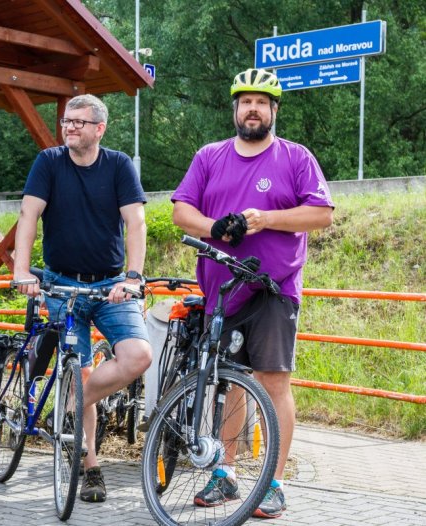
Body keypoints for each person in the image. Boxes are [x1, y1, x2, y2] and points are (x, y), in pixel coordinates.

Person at [171, 68, 334, 519]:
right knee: (228, 381)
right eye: (246, 101)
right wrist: (214, 227)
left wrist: (265, 219)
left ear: (274, 110)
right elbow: (181, 211)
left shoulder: (296, 157)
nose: (253, 109)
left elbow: (321, 216)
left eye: (262, 102)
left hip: (274, 288)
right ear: (235, 109)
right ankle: (226, 473)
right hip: (222, 288)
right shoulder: (210, 156)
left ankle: (274, 484)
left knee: (274, 383)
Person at [13, 94, 152, 503]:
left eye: (78, 121)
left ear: (99, 129)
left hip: (111, 285)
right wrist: (22, 271)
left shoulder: (118, 165)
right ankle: (90, 468)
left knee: (137, 356)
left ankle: (70, 406)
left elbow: (136, 221)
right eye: (65, 121)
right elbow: (28, 216)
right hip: (61, 285)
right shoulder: (49, 162)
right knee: (81, 369)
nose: (69, 127)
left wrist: (133, 277)